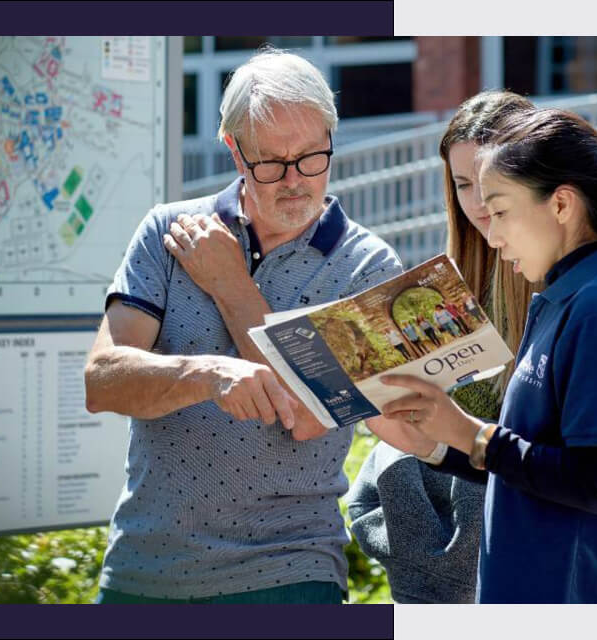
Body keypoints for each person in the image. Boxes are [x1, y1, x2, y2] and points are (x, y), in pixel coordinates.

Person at [84, 48, 401, 604]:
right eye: (271, 163)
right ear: (234, 150)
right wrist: (206, 375)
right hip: (143, 566)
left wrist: (231, 286)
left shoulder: (370, 269)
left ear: (330, 137)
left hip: (291, 573)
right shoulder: (168, 232)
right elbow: (102, 382)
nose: (295, 181)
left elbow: (308, 415)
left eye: (312, 157)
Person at [367, 106, 597, 603]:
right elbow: (531, 463)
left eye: (500, 212)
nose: (492, 236)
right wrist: (435, 445)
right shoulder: (571, 297)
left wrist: (469, 432)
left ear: (561, 205)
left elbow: (596, 482)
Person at [347, 91, 537, 603]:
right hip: (439, 513)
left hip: (509, 533)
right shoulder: (453, 281)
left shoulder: (554, 284)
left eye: (487, 181)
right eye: (462, 184)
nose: (476, 203)